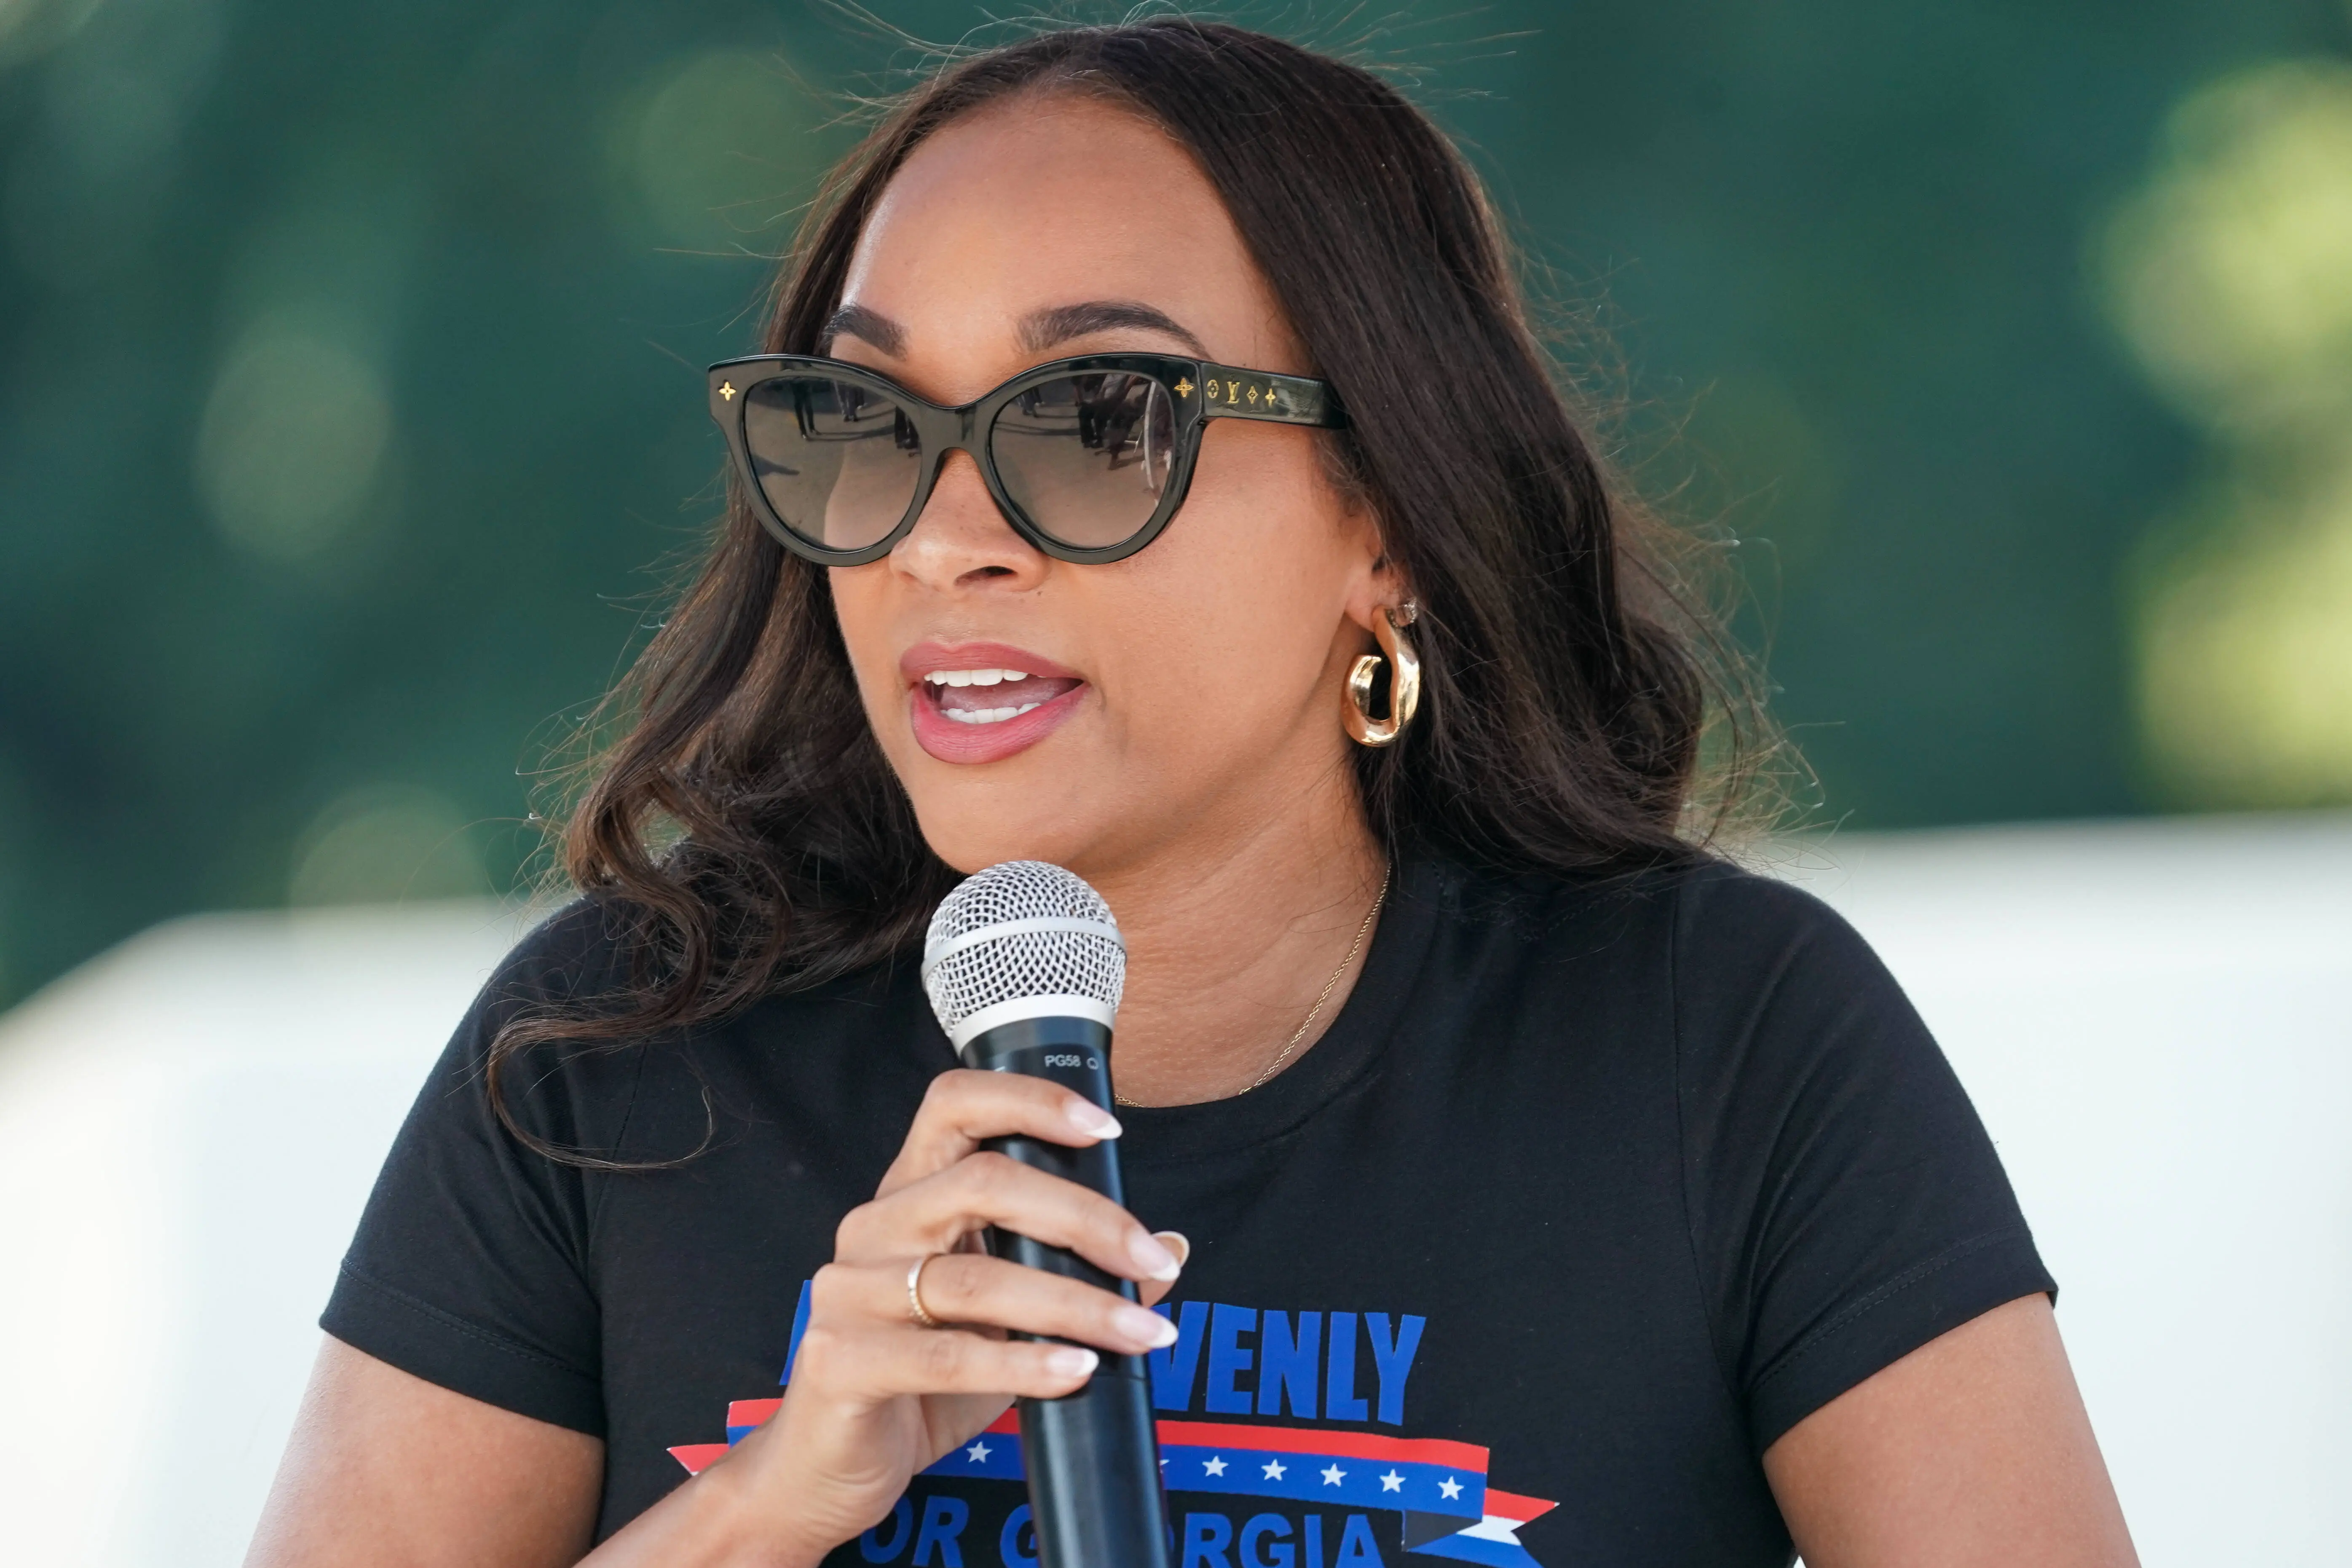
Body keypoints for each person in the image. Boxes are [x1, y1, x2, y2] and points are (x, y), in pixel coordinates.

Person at [246, 20, 2138, 1568]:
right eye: (865, 422)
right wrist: (769, 1507)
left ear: (1386, 517)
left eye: (1094, 426)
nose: (944, 538)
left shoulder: (1716, 1047)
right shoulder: (616, 1056)